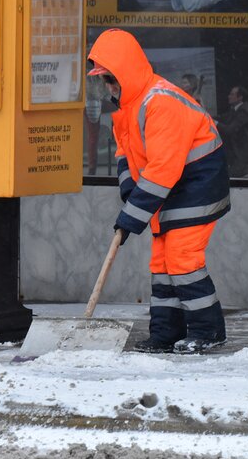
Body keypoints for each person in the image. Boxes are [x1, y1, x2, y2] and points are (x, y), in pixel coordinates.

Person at [86, 28, 231, 354]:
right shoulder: (125, 109)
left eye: (112, 78)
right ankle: (165, 334)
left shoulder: (160, 102)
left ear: (126, 70)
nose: (109, 86)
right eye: (104, 80)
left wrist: (130, 217)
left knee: (182, 257)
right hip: (172, 188)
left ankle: (209, 331)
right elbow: (125, 154)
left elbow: (163, 169)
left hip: (198, 184)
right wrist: (128, 191)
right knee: (162, 260)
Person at [217, 85, 248, 178]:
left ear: (240, 97)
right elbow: (222, 117)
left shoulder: (244, 111)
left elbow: (229, 130)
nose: (229, 96)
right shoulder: (234, 109)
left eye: (232, 94)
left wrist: (215, 123)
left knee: (228, 175)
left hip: (243, 154)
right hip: (236, 153)